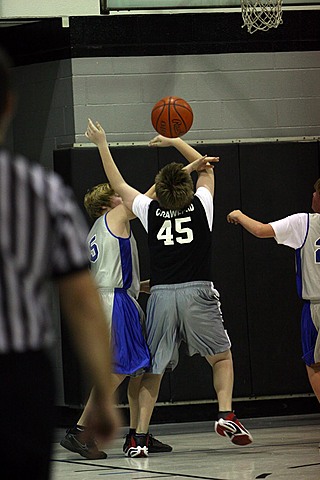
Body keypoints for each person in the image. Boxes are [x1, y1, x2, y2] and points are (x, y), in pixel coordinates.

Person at [85, 119, 253, 458]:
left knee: (154, 368)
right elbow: (207, 168)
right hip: (196, 292)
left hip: (159, 296)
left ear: (159, 191)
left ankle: (138, 439)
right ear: (187, 188)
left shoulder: (150, 210)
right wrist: (175, 139)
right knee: (221, 358)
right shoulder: (202, 206)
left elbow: (117, 182)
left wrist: (102, 144)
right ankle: (225, 413)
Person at [0, 47, 119, 480]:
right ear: (10, 103)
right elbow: (81, 302)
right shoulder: (42, 191)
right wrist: (104, 397)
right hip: (19, 374)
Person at [60, 182, 172, 458]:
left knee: (138, 370)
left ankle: (137, 433)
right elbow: (149, 195)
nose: (123, 197)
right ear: (104, 206)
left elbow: (111, 269)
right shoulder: (113, 217)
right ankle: (80, 429)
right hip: (115, 300)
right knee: (121, 369)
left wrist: (140, 285)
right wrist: (182, 173)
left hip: (115, 296)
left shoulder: (99, 229)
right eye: (117, 195)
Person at [227, 178, 320, 404]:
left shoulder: (305, 222)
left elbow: (260, 230)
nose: (313, 196)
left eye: (315, 192)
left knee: (315, 365)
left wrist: (238, 214)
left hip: (316, 307)